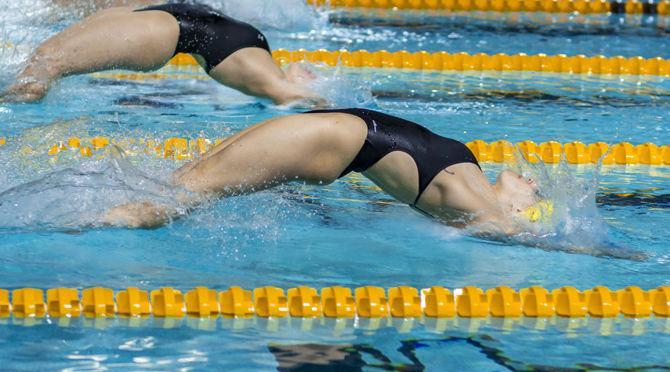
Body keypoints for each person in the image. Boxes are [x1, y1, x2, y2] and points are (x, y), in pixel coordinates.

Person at [103, 108, 544, 235]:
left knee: (176, 198)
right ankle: (93, 213)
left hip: (321, 139)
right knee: (177, 184)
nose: (534, 183)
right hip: (326, 127)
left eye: (537, 197)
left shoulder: (489, 215)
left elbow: (517, 239)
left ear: (521, 213)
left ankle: (76, 225)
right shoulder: (473, 178)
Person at [2, 3, 320, 105]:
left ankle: (304, 92)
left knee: (41, 70)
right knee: (286, 93)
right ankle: (289, 80)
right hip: (221, 28)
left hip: (176, 28)